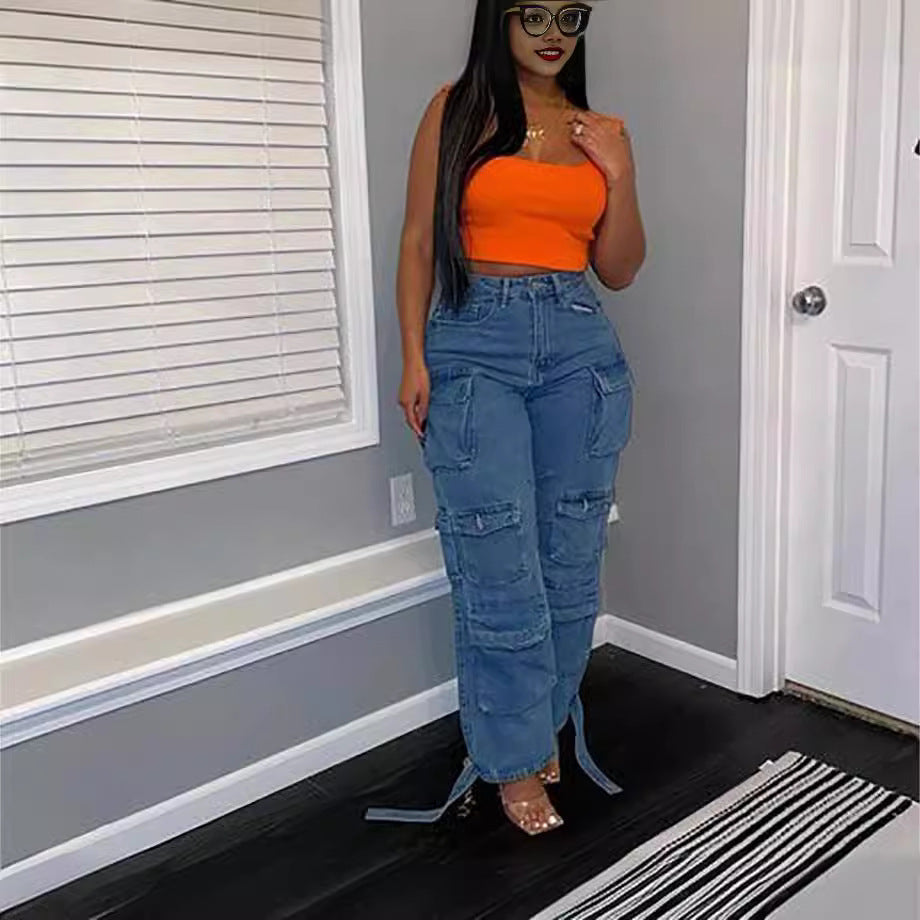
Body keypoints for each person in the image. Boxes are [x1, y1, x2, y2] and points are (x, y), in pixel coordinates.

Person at [366, 0, 645, 837]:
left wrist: (620, 175)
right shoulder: (456, 110)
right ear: (500, 19)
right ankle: (512, 762)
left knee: (570, 558)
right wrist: (414, 358)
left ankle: (543, 727)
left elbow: (620, 268)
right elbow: (419, 242)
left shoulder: (602, 130)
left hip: (577, 342)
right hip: (473, 341)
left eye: (571, 15)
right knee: (497, 560)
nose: (554, 32)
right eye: (534, 14)